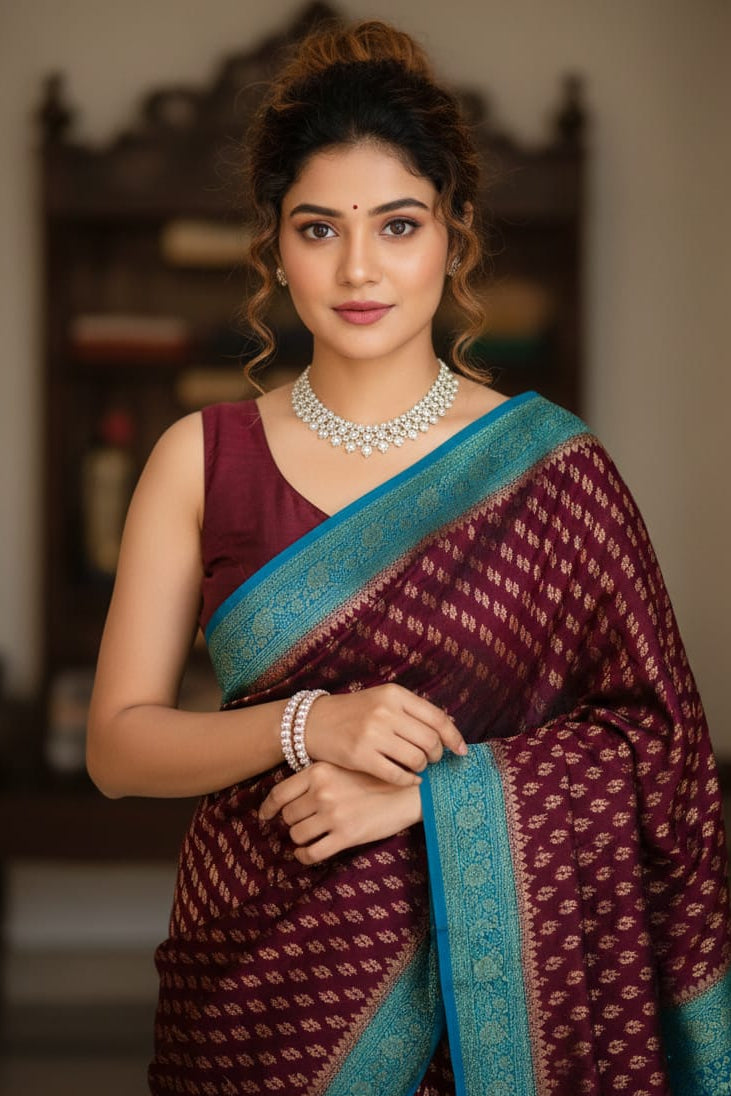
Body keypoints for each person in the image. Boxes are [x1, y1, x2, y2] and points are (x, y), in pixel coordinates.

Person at [86, 19, 731, 1096]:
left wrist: (430, 799)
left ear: (453, 232)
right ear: (273, 246)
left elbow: (659, 752)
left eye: (395, 224)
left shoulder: (553, 470)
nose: (356, 269)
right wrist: (308, 723)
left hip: (497, 1024)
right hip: (257, 1003)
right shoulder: (200, 458)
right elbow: (117, 747)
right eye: (316, 228)